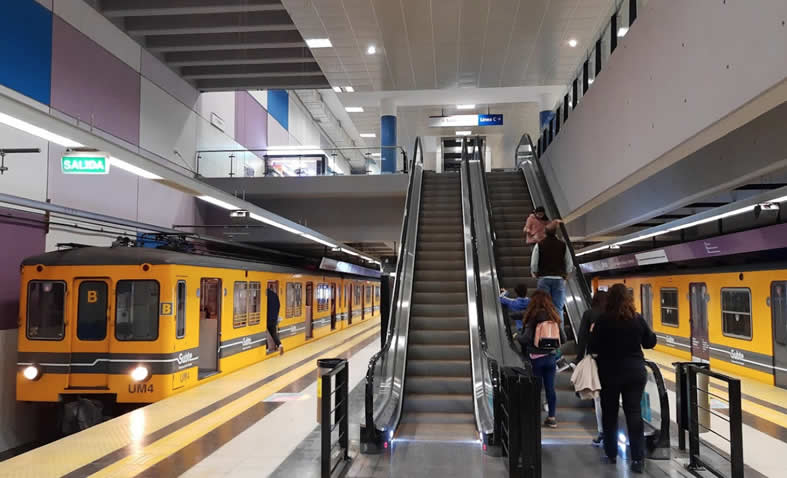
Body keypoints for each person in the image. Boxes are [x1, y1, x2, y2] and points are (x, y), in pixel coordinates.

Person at [589, 284, 657, 474]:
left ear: (609, 299)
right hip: (635, 372)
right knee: (634, 414)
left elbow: (592, 345)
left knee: (610, 413)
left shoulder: (603, 320)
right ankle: (637, 459)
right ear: (628, 299)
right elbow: (650, 342)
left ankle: (611, 453)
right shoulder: (637, 319)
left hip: (609, 372)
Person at [515, 290, 566, 428]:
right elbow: (564, 338)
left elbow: (525, 339)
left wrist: (516, 336)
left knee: (535, 389)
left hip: (535, 359)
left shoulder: (533, 317)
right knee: (550, 388)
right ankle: (552, 418)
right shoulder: (553, 316)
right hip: (550, 358)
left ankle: (534, 418)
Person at [575, 290, 608, 446]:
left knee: (598, 397)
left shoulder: (589, 314)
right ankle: (613, 430)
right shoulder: (612, 314)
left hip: (595, 360)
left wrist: (579, 358)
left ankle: (602, 431)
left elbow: (582, 338)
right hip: (613, 360)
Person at [531, 222, 573, 324]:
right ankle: (559, 332)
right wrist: (567, 273)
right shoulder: (563, 245)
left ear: (545, 232)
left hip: (544, 278)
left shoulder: (539, 245)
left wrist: (534, 272)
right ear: (555, 233)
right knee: (558, 307)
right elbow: (569, 262)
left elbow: (534, 262)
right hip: (559, 279)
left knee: (543, 306)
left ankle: (545, 332)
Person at [266, 285, 284, 355]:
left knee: (263, 334)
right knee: (273, 333)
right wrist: (275, 315)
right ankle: (280, 345)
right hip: (273, 318)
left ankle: (266, 348)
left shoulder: (264, 295)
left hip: (266, 318)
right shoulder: (275, 295)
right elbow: (278, 305)